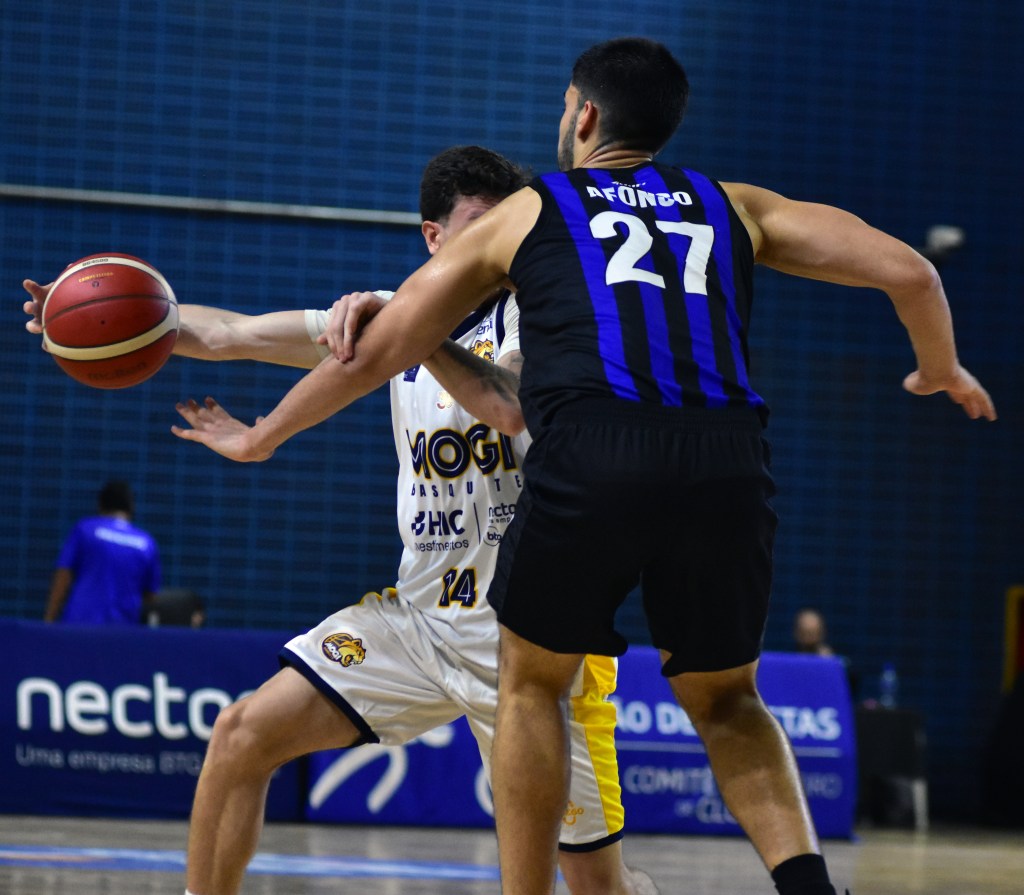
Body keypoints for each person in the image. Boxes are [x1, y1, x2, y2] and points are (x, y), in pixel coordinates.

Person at [166, 37, 996, 895]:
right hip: (692, 472)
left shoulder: (539, 235)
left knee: (546, 727)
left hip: (579, 493)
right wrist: (938, 368)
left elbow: (416, 369)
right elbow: (912, 271)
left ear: (585, 115)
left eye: (566, 106)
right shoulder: (731, 203)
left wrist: (268, 433)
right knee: (726, 700)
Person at [24, 146, 652, 895]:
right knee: (240, 735)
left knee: (596, 883)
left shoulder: (543, 312)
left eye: (505, 227)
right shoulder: (389, 315)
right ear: (434, 236)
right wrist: (93, 315)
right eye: (480, 225)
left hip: (534, 640)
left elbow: (508, 404)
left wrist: (410, 330)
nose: (497, 244)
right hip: (420, 624)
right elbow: (229, 335)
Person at [43, 479, 161, 624]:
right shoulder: (146, 543)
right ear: (131, 508)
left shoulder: (85, 529)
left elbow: (63, 574)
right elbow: (151, 597)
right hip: (123, 629)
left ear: (100, 505)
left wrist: (49, 619)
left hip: (80, 625)